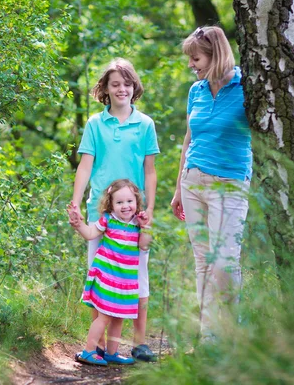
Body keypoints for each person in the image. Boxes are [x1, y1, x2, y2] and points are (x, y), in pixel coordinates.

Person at [70, 57, 159, 362]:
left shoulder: (145, 124)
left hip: (133, 215)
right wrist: (76, 202)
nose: (122, 89)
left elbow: (150, 171)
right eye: (115, 84)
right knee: (101, 277)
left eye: (127, 83)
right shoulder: (96, 124)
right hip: (101, 212)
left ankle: (139, 343)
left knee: (138, 279)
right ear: (105, 89)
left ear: (135, 87)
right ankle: (96, 346)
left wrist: (150, 208)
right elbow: (85, 165)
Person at [170, 26, 252, 341]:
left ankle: (231, 332)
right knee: (203, 260)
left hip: (230, 182)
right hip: (193, 182)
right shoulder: (197, 90)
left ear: (215, 53)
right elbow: (189, 139)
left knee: (225, 261)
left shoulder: (248, 86)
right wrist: (178, 187)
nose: (192, 64)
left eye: (196, 58)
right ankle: (208, 338)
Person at [68, 179, 153, 366]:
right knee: (104, 316)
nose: (125, 206)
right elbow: (90, 234)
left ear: (136, 202)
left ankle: (112, 353)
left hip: (125, 280)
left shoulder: (137, 224)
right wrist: (78, 225)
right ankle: (88, 350)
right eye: (119, 202)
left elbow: (144, 245)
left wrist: (146, 226)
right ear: (111, 204)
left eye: (129, 201)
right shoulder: (108, 220)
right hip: (107, 277)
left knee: (119, 316)